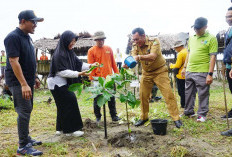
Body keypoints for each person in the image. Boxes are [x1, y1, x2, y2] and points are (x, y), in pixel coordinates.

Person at [4, 10, 44, 156]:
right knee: (24, 111)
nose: (35, 25)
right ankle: (22, 146)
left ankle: (26, 138)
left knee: (28, 108)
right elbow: (14, 61)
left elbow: (28, 60)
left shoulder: (27, 37)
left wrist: (34, 78)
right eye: (33, 22)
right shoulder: (12, 37)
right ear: (23, 21)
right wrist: (23, 84)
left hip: (27, 81)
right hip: (18, 82)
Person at [126, 27, 182, 128]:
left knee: (168, 94)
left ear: (143, 36)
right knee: (143, 95)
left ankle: (176, 118)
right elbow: (133, 58)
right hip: (146, 73)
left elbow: (153, 56)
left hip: (160, 71)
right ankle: (143, 117)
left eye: (137, 39)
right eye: (133, 39)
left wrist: (139, 57)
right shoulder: (135, 45)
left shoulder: (154, 41)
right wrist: (127, 63)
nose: (135, 41)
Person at [47, 31, 98, 137]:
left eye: (74, 42)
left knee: (62, 105)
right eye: (72, 41)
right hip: (56, 83)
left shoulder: (69, 52)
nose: (73, 44)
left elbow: (78, 63)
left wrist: (91, 65)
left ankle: (60, 129)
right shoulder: (59, 54)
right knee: (70, 101)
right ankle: (71, 130)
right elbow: (62, 71)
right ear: (66, 40)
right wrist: (79, 73)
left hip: (60, 82)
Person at [181, 17, 218, 122]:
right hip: (189, 70)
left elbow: (213, 57)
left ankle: (202, 114)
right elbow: (189, 53)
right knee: (188, 92)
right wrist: (184, 67)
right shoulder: (191, 37)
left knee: (203, 93)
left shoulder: (211, 38)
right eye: (195, 28)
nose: (196, 30)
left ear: (205, 27)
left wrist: (210, 74)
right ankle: (188, 111)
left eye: (198, 28)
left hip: (202, 70)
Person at [88, 31, 121, 122]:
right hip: (98, 79)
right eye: (99, 40)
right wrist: (92, 79)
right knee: (97, 98)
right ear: (95, 40)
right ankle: (98, 116)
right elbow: (91, 66)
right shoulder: (91, 51)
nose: (101, 41)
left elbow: (113, 63)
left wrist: (117, 74)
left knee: (111, 97)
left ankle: (114, 116)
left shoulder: (109, 49)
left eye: (102, 39)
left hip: (109, 78)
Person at [221, 7, 232, 136]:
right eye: (227, 17)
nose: (228, 19)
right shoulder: (229, 30)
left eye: (231, 16)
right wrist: (225, 65)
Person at [169, 41, 187, 109]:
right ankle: (188, 104)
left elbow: (177, 65)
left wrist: (171, 65)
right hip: (188, 74)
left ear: (179, 47)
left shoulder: (181, 53)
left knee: (181, 91)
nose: (175, 49)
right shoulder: (187, 51)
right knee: (187, 91)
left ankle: (183, 105)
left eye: (176, 48)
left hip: (181, 75)